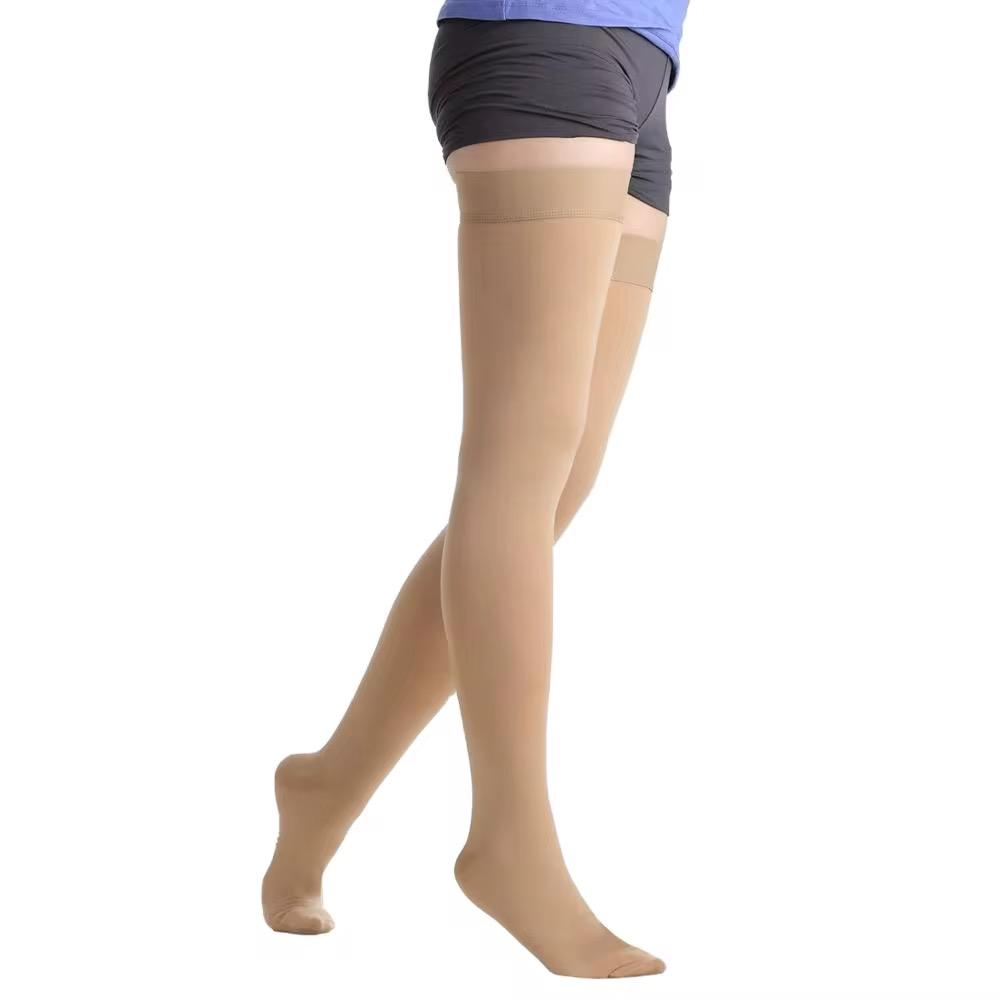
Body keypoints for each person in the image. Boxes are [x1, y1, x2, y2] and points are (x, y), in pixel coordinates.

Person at [262, 1, 691, 979]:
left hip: (646, 66)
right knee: (518, 460)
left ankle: (325, 786)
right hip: (545, 42)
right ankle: (509, 837)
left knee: (556, 481)